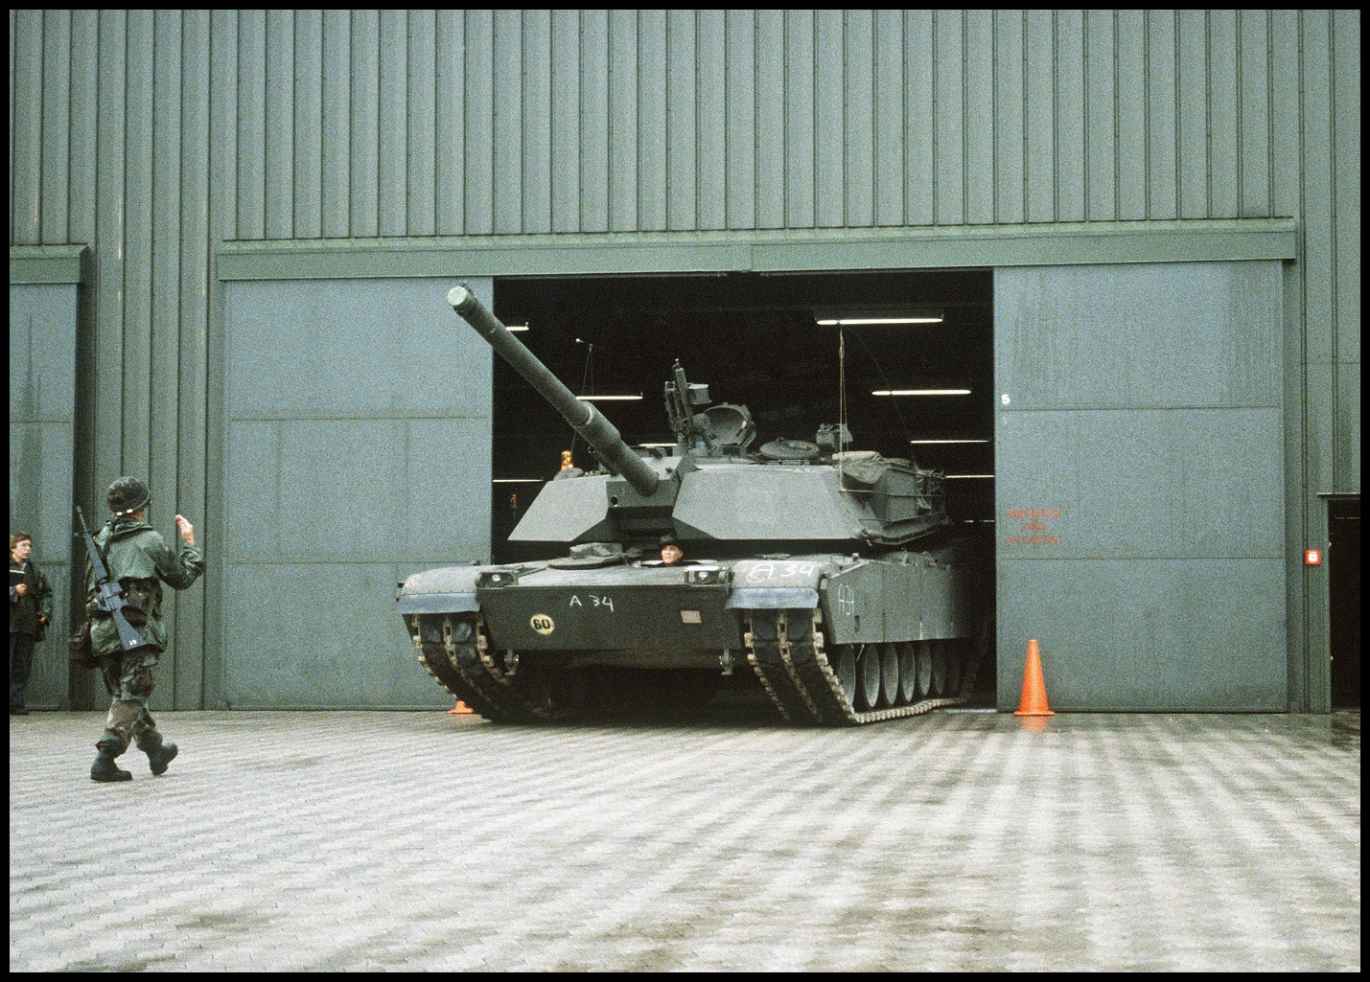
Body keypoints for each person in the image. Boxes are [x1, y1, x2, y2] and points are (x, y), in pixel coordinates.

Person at [84, 477, 205, 783]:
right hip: (136, 632)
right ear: (141, 508)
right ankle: (106, 756)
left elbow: (90, 590)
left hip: (103, 632)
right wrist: (190, 544)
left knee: (129, 693)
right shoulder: (148, 540)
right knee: (133, 690)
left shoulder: (98, 540)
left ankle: (155, 751)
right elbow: (182, 577)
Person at [9, 531, 53, 715]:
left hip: (27, 625)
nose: (27, 549)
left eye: (29, 546)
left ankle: (16, 703)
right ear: (13, 548)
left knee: (22, 665)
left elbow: (47, 593)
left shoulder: (34, 570)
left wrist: (45, 612)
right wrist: (12, 591)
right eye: (23, 545)